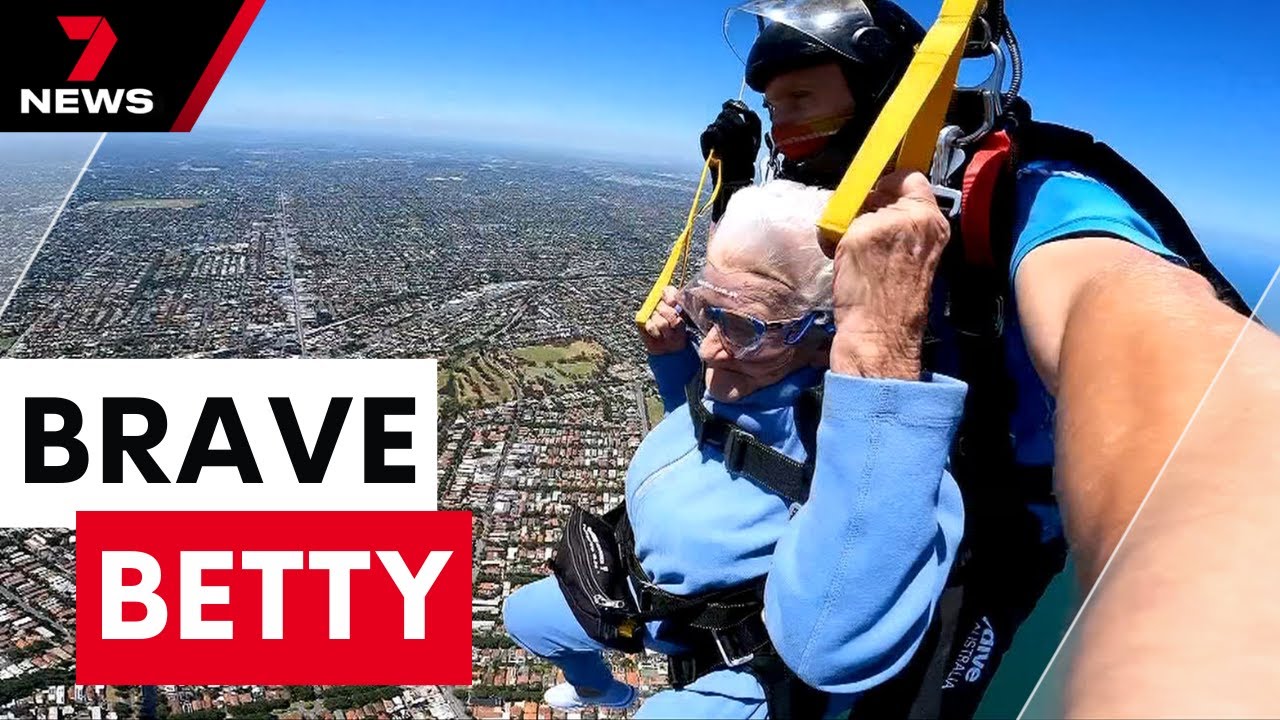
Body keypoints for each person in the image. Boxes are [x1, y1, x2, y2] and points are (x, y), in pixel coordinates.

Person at [638, 0, 1266, 716]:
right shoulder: (834, 206)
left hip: (989, 523)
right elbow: (762, 335)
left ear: (887, 100)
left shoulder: (1025, 201)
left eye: (802, 99)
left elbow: (1168, 356)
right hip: (847, 474)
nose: (785, 130)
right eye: (774, 109)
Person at [505, 176, 967, 719]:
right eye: (706, 309)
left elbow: (830, 646)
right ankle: (598, 691)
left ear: (824, 335)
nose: (710, 347)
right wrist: (671, 359)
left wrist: (877, 358)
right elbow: (717, 445)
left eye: (746, 327)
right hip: (654, 595)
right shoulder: (744, 377)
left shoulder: (873, 451)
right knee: (523, 617)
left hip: (744, 659)